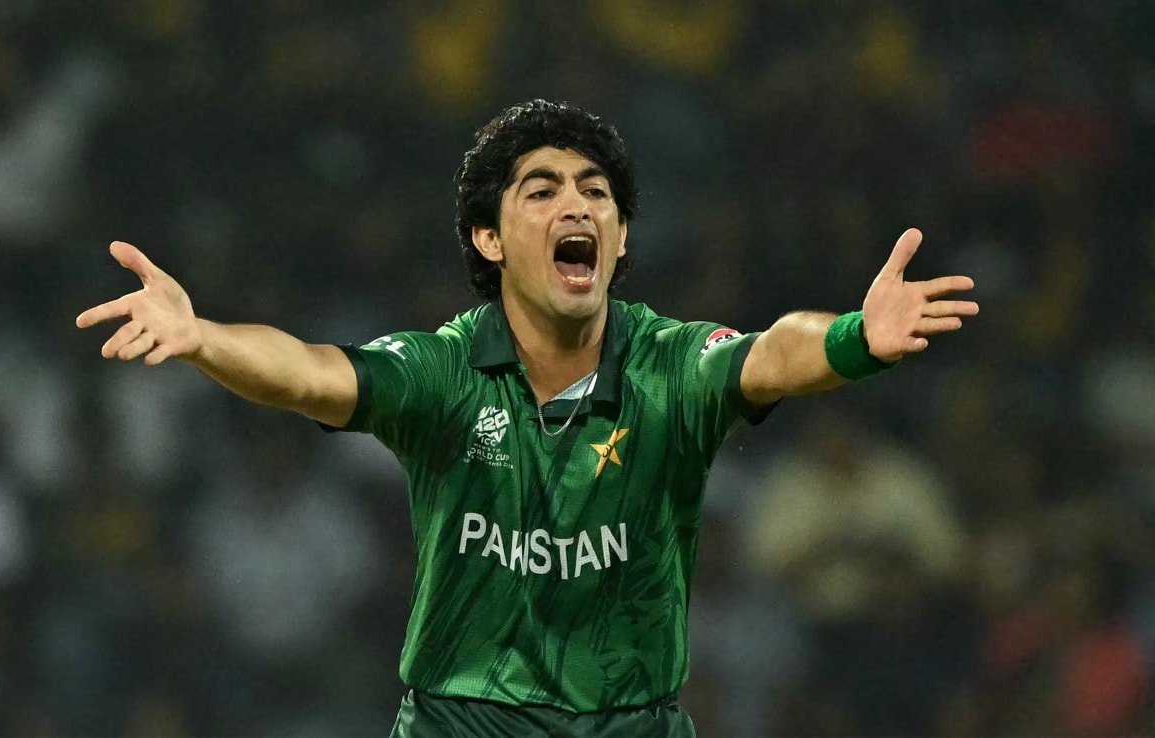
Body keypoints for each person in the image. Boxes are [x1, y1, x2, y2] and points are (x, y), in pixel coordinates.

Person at [76, 99, 979, 737]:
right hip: (462, 723)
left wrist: (856, 338)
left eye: (596, 191)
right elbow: (310, 373)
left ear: (619, 239)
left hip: (633, 724)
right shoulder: (443, 373)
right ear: (490, 238)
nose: (576, 203)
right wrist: (201, 338)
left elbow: (774, 352)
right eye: (541, 190)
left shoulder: (670, 366)